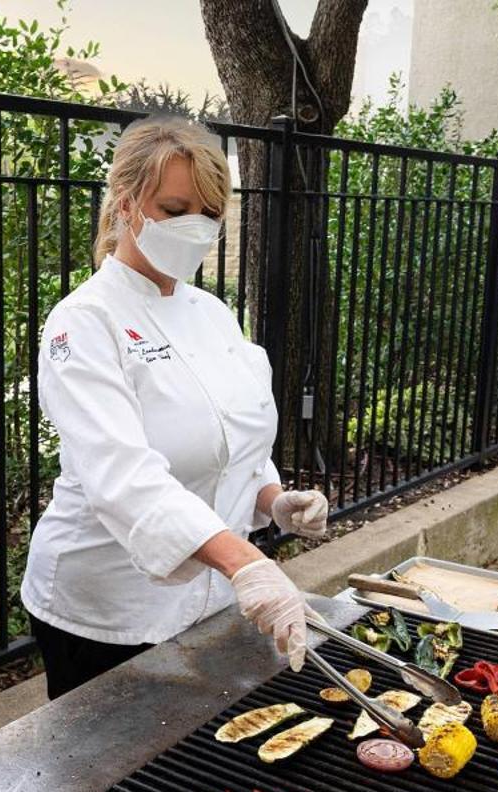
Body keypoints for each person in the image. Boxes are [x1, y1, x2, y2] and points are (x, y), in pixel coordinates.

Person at [18, 117, 329, 700]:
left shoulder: (212, 313)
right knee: (110, 781)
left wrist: (272, 500)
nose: (195, 227)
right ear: (126, 202)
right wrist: (246, 562)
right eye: (174, 207)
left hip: (205, 598)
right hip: (107, 607)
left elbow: (231, 438)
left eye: (209, 214)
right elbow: (121, 476)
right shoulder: (84, 321)